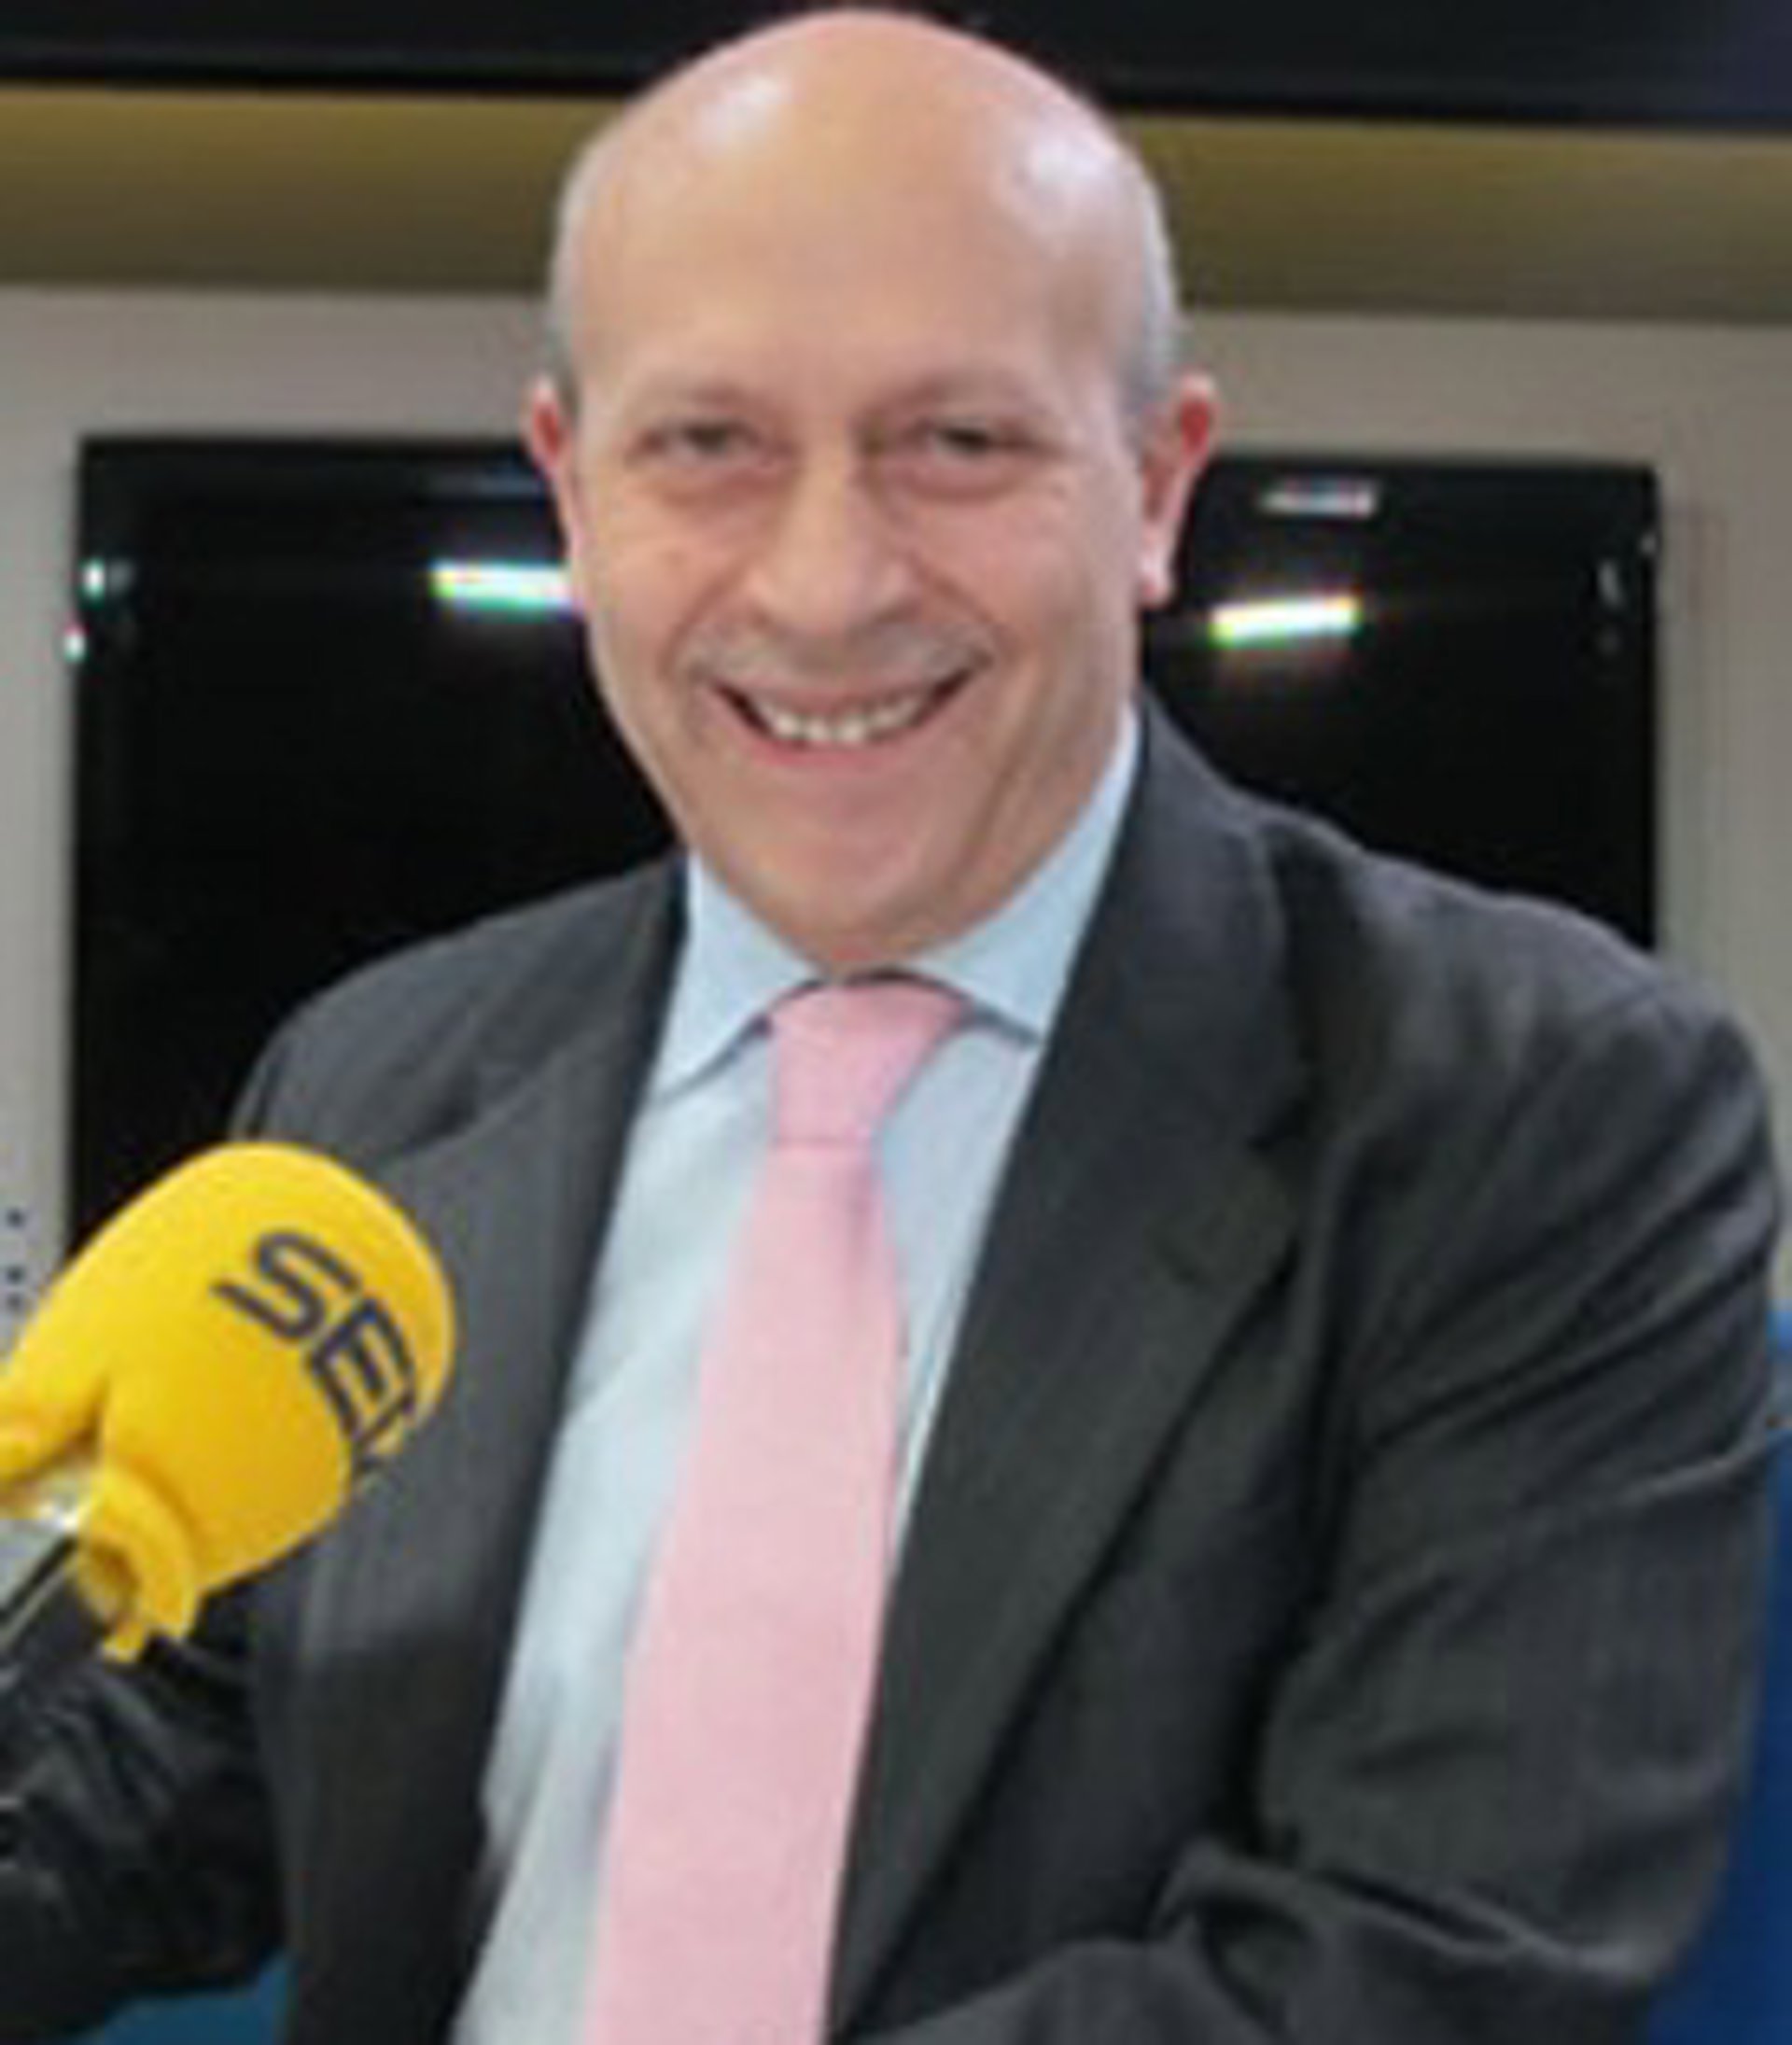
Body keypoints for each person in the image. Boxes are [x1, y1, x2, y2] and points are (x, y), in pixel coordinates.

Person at [0, 9, 1781, 2042]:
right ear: (570, 489)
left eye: (959, 443)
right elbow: (157, 1778)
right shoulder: (378, 1086)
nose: (827, 584)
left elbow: (1417, 1973)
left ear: (1156, 486)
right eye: (709, 444)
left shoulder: (1537, 1112)